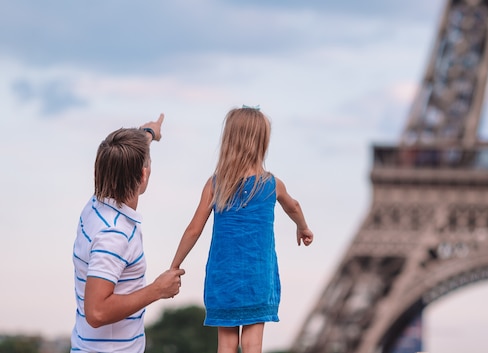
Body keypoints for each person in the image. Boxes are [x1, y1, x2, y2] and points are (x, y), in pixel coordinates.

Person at [170, 106, 314, 353]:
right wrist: (303, 227)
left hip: (223, 276)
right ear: (262, 142)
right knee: (252, 344)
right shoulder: (272, 184)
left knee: (226, 345)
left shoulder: (216, 184)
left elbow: (194, 229)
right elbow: (294, 206)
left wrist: (175, 265)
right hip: (257, 276)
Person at [71, 114, 186, 353]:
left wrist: (149, 133)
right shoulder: (115, 234)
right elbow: (97, 311)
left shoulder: (95, 207)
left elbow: (124, 153)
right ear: (143, 175)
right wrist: (157, 289)